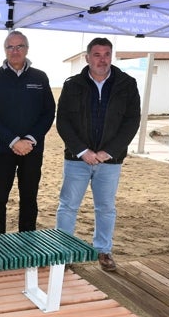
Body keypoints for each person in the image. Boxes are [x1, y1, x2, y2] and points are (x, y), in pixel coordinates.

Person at [55, 37, 141, 272]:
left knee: (105, 208)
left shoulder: (127, 84)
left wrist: (108, 152)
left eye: (106, 54)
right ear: (87, 57)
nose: (102, 60)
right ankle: (63, 253)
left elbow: (132, 121)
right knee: (68, 206)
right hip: (77, 159)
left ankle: (103, 251)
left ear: (111, 56)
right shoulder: (73, 84)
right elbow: (62, 120)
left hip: (110, 161)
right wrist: (83, 151)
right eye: (97, 54)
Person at [0, 30, 56, 234]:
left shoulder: (40, 78)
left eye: (19, 46)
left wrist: (30, 140)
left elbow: (49, 112)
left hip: (32, 149)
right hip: (2, 150)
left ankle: (27, 242)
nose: (15, 51)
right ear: (4, 50)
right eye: (10, 47)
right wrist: (13, 141)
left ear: (27, 49)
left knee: (29, 198)